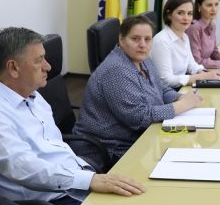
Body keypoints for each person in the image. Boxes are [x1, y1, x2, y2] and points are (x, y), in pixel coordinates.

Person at [0, 27, 145, 205]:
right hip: (45, 203)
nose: (48, 67)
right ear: (13, 68)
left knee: (142, 200)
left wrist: (88, 177)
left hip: (72, 180)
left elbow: (54, 146)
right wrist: (88, 180)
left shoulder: (32, 95)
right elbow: (23, 168)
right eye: (39, 60)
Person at [74, 15, 204, 165]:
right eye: (135, 39)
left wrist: (180, 97)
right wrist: (182, 105)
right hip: (109, 148)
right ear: (121, 39)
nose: (142, 44)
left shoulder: (143, 59)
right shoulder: (116, 70)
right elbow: (140, 118)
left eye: (148, 39)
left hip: (139, 137)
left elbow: (160, 87)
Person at [150, 0, 220, 88]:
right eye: (180, 13)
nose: (186, 18)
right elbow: (166, 80)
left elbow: (192, 65)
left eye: (189, 14)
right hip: (167, 92)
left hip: (181, 88)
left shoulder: (184, 37)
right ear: (169, 14)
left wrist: (205, 73)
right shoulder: (162, 41)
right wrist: (199, 77)